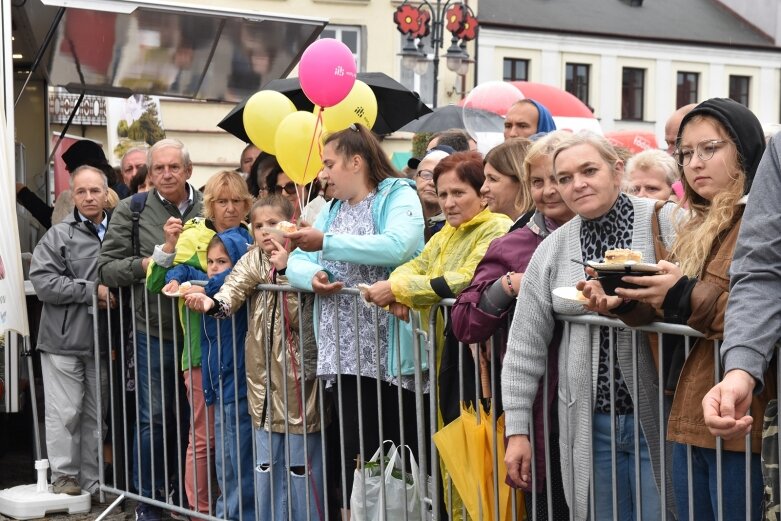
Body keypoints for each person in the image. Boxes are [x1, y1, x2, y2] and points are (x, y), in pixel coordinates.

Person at [502, 131, 677, 521]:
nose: (577, 184)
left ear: (617, 171)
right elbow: (524, 346)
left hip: (661, 417)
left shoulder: (666, 222)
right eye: (564, 177)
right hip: (588, 424)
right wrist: (517, 430)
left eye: (589, 170)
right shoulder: (553, 248)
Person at [616, 98, 772, 520]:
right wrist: (627, 302)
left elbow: (761, 309)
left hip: (745, 418)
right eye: (686, 153)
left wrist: (682, 295)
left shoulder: (759, 223)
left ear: (744, 150)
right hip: (691, 410)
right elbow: (679, 312)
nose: (695, 163)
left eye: (710, 149)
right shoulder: (695, 224)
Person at [363, 151, 512, 520]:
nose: (448, 202)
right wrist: (399, 286)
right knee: (451, 450)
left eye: (458, 193)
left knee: (478, 455)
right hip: (449, 354)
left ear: (482, 193)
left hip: (481, 359)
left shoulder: (496, 227)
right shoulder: (446, 231)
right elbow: (414, 266)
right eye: (442, 194)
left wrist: (403, 290)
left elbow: (466, 279)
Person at [284, 123, 424, 516]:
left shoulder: (398, 195)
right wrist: (310, 276)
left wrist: (325, 243)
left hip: (390, 354)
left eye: (329, 163)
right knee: (352, 450)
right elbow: (295, 261)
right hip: (341, 353)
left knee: (395, 452)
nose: (323, 173)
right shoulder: (330, 209)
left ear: (356, 161)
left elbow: (401, 244)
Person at [450, 132, 575, 520]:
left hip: (600, 415)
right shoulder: (513, 244)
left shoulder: (612, 239)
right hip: (541, 410)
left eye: (559, 179)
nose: (549, 191)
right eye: (538, 182)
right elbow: (464, 320)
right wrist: (508, 286)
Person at [186, 196, 324, 521]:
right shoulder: (251, 260)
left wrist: (287, 269)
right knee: (266, 462)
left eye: (272, 223)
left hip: (299, 375)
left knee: (300, 462)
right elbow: (233, 289)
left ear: (290, 224)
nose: (264, 232)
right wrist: (212, 303)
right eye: (258, 225)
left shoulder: (304, 257)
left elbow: (304, 307)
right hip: (261, 377)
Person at [98, 138, 203, 521]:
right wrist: (148, 265)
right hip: (152, 330)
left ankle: (189, 498)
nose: (166, 174)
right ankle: (150, 501)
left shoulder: (209, 206)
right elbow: (107, 268)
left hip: (201, 333)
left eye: (174, 167)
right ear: (150, 173)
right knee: (154, 419)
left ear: (188, 170)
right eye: (158, 168)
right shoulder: (133, 210)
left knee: (196, 422)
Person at [146, 170, 253, 515]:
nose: (230, 209)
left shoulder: (251, 241)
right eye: (222, 202)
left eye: (237, 201)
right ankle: (199, 509)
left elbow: (227, 278)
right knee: (208, 437)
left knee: (232, 440)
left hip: (240, 355)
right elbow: (161, 280)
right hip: (199, 351)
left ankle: (223, 508)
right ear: (209, 206)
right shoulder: (195, 236)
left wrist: (200, 286)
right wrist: (171, 254)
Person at [29, 165, 115, 497]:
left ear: (106, 193)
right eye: (82, 191)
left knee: (97, 417)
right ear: (72, 195)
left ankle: (94, 484)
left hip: (101, 338)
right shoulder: (58, 235)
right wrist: (91, 290)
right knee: (66, 413)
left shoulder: (117, 233)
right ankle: (65, 476)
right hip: (63, 340)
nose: (89, 197)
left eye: (95, 191)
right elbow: (44, 284)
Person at [165, 228, 254, 521]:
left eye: (222, 261)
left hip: (237, 383)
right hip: (218, 382)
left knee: (236, 462)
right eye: (211, 261)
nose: (214, 269)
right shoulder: (210, 280)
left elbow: (228, 280)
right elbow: (188, 268)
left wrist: (205, 286)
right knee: (223, 461)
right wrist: (177, 278)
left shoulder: (233, 286)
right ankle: (225, 513)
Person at [410, 145, 453, 241]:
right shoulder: (397, 217)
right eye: (426, 174)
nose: (432, 182)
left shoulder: (456, 226)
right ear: (415, 178)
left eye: (439, 177)